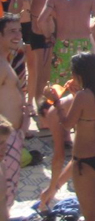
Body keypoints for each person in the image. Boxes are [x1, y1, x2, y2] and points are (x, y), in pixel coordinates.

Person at [45, 52, 95, 221]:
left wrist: (56, 102)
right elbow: (91, 110)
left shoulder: (82, 96)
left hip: (85, 159)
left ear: (78, 74)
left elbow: (67, 124)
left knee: (90, 213)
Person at [38, 0, 95, 87]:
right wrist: (89, 31)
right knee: (86, 83)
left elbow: (41, 20)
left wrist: (48, 36)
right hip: (83, 43)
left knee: (60, 86)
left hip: (62, 43)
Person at [28, 0, 63, 102]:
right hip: (42, 38)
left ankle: (40, 103)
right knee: (42, 75)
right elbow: (39, 22)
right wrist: (49, 37)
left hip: (43, 37)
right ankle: (39, 104)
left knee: (44, 75)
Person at [0, 14, 25, 215]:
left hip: (12, 137)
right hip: (4, 139)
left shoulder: (6, 61)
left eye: (19, 30)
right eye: (11, 32)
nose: (18, 35)